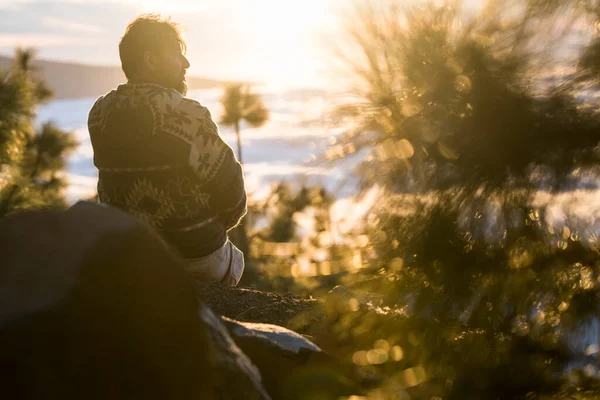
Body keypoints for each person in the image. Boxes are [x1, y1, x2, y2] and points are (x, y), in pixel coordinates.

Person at [87, 14, 246, 286]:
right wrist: (206, 230)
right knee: (237, 258)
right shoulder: (188, 114)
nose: (186, 63)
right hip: (197, 259)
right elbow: (232, 195)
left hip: (132, 256)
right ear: (150, 59)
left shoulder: (99, 114)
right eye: (177, 54)